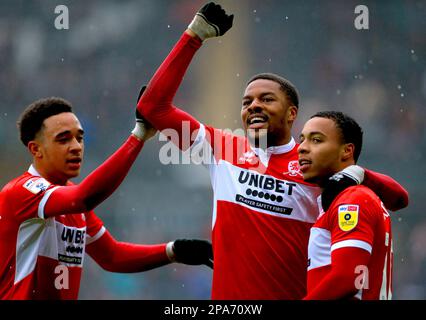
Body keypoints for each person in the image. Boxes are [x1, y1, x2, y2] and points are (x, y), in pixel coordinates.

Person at [136, 2, 408, 299]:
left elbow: (398, 199)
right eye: (246, 102)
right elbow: (152, 107)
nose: (253, 105)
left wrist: (359, 174)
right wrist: (194, 36)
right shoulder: (222, 148)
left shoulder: (313, 166)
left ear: (292, 114)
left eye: (266, 99)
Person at [0, 97, 213, 300]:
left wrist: (174, 251)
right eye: (63, 139)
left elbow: (111, 256)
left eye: (79, 138)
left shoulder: (73, 203)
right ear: (36, 149)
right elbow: (83, 198)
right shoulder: (22, 192)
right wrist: (138, 135)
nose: (76, 146)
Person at [299, 111, 393, 300]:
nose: (302, 148)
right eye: (302, 140)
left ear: (347, 151)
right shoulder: (345, 197)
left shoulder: (352, 199)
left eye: (316, 140)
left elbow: (348, 278)